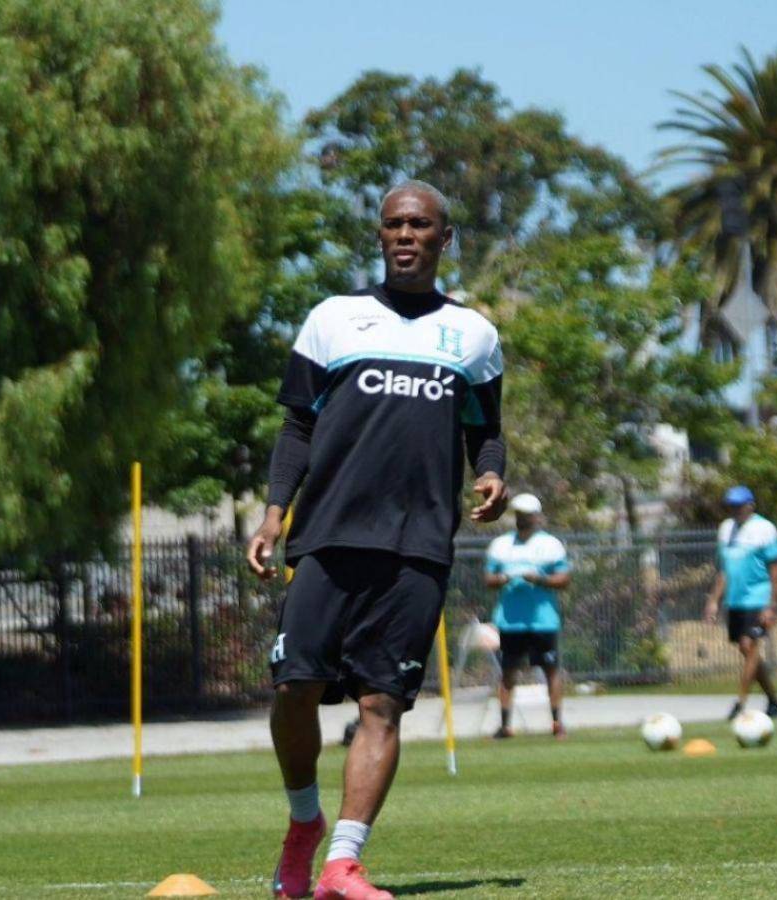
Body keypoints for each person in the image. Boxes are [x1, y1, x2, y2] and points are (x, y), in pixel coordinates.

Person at [247, 180, 507, 900]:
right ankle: (305, 822)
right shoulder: (333, 319)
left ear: (444, 238)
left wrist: (490, 474)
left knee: (382, 702)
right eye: (393, 224)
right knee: (294, 685)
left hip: (418, 543)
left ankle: (343, 863)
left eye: (420, 225)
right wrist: (274, 513)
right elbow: (298, 425)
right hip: (329, 533)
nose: (405, 235)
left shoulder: (475, 336)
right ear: (380, 234)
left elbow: (486, 429)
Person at [485, 493, 572, 740]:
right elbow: (489, 579)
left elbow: (564, 578)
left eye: (527, 514)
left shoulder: (550, 545)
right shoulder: (501, 545)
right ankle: (505, 725)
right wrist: (504, 578)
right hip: (510, 620)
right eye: (519, 514)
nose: (523, 519)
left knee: (551, 670)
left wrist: (541, 579)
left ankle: (557, 723)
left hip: (542, 620)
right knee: (508, 672)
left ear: (536, 516)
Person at [704, 485, 777, 720]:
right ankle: (774, 701)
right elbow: (724, 571)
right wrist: (713, 600)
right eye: (731, 506)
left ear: (751, 505)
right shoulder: (726, 529)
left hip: (758, 598)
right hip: (735, 600)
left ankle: (740, 702)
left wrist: (772, 604)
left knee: (750, 646)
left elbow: (776, 568)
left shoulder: (764, 528)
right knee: (745, 648)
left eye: (739, 505)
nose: (735, 510)